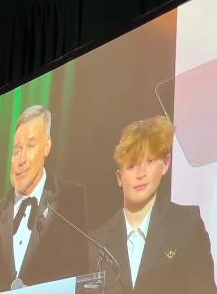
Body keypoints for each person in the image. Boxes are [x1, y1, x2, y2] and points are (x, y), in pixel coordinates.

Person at [0, 105, 89, 294]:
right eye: (16, 150)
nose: (21, 160)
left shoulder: (71, 198)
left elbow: (80, 277)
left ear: (47, 146)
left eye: (30, 146)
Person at [89, 116, 217, 294]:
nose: (141, 173)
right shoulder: (96, 244)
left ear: (166, 164)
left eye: (150, 161)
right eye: (132, 165)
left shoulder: (187, 225)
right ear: (119, 177)